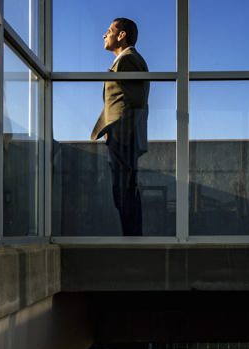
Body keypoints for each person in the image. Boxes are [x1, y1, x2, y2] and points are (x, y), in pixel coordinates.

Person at [91, 17, 149, 236]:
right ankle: (132, 240)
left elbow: (135, 102)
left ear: (121, 35)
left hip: (123, 136)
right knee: (124, 192)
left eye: (109, 31)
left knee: (124, 192)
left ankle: (132, 242)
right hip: (123, 136)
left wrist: (119, 134)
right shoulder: (125, 60)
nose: (105, 35)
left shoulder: (128, 60)